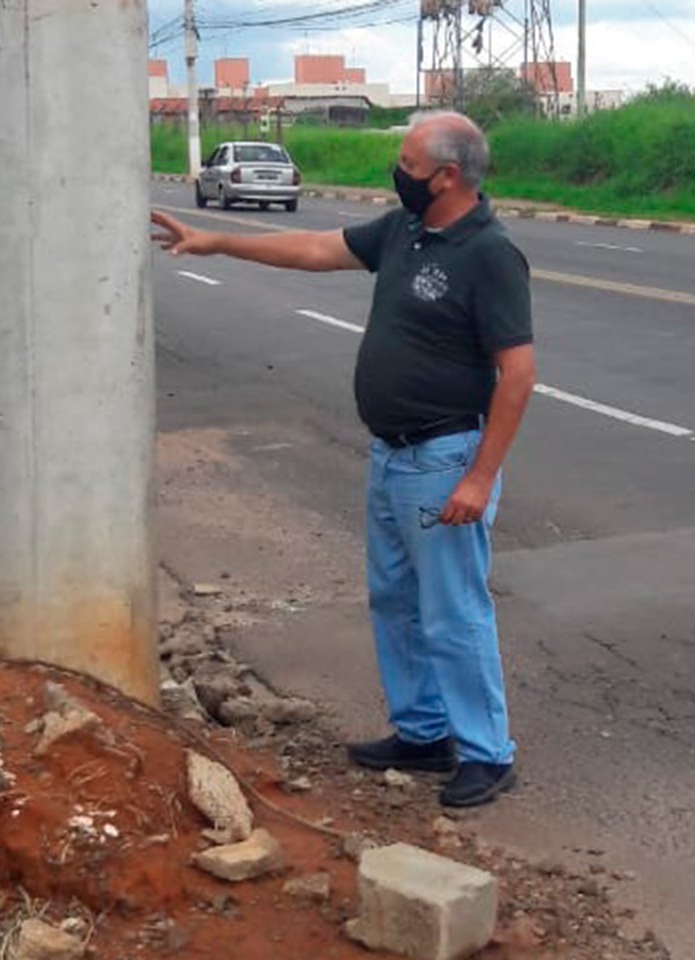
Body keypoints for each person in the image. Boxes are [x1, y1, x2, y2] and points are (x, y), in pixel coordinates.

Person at [151, 110, 535, 808]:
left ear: (447, 176)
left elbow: (518, 372)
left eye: (409, 165)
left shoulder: (489, 253)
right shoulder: (404, 230)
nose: (398, 174)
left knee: (454, 612)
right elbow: (314, 248)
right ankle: (422, 733)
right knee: (395, 601)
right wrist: (217, 242)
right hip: (392, 456)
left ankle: (487, 752)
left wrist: (480, 476)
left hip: (444, 458)